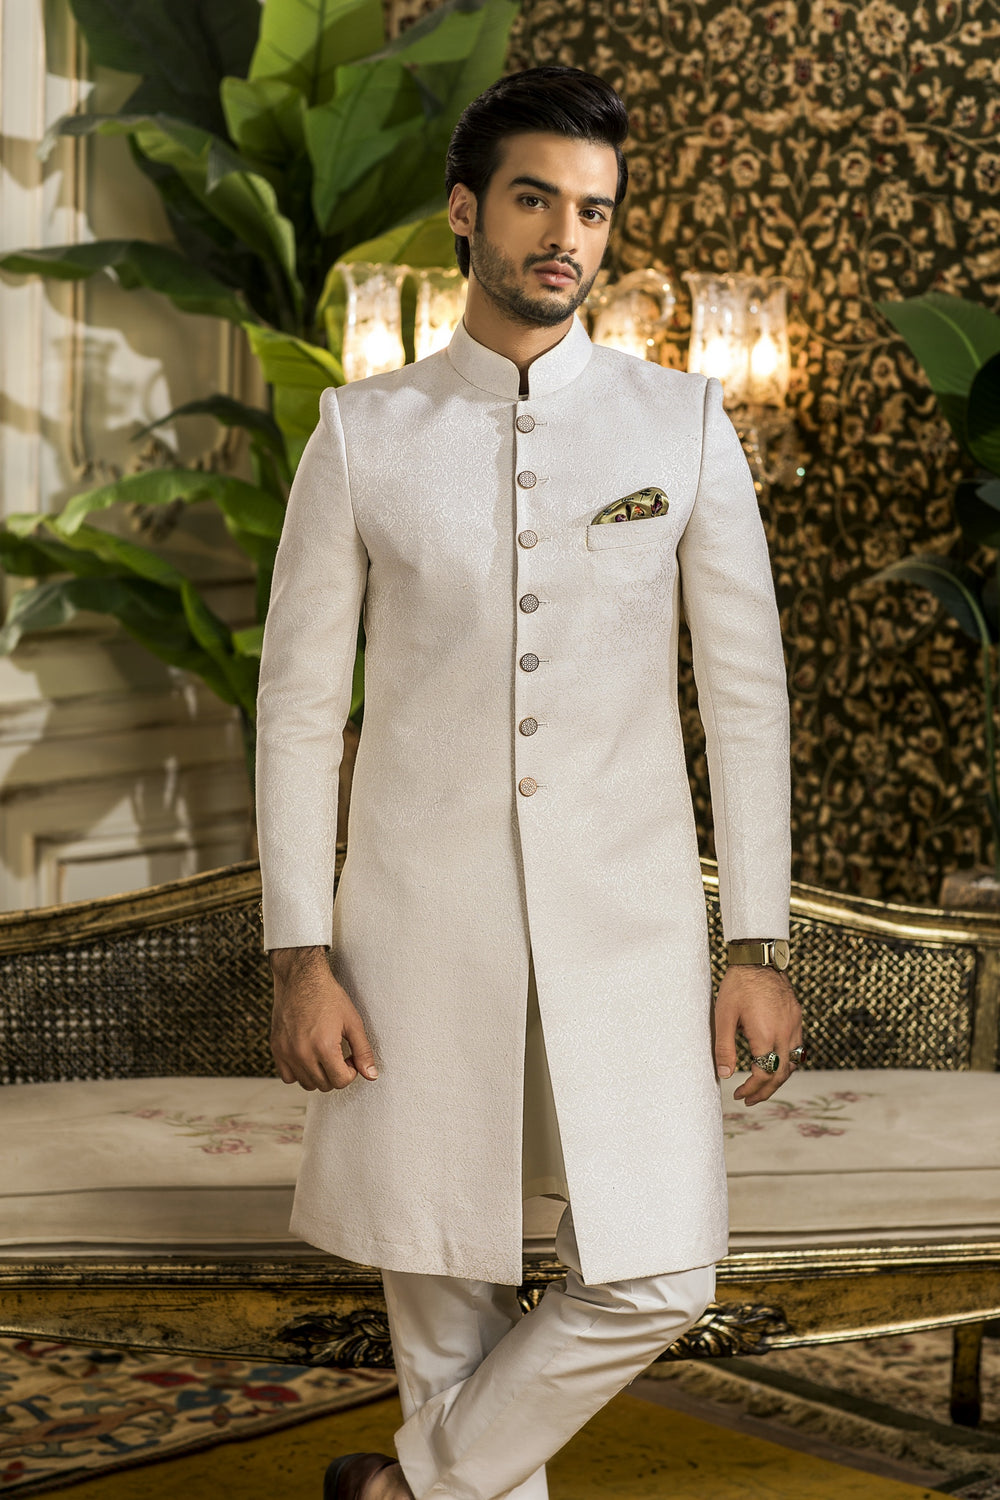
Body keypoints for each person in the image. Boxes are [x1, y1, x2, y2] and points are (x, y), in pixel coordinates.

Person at [255, 64, 802, 1500]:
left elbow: (746, 703)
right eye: (538, 198)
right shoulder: (361, 438)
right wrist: (299, 955)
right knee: (443, 1298)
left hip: (628, 936)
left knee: (662, 1269)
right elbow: (299, 713)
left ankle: (406, 1486)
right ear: (467, 209)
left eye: (596, 209)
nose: (569, 232)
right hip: (415, 935)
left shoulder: (680, 424)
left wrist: (757, 941)